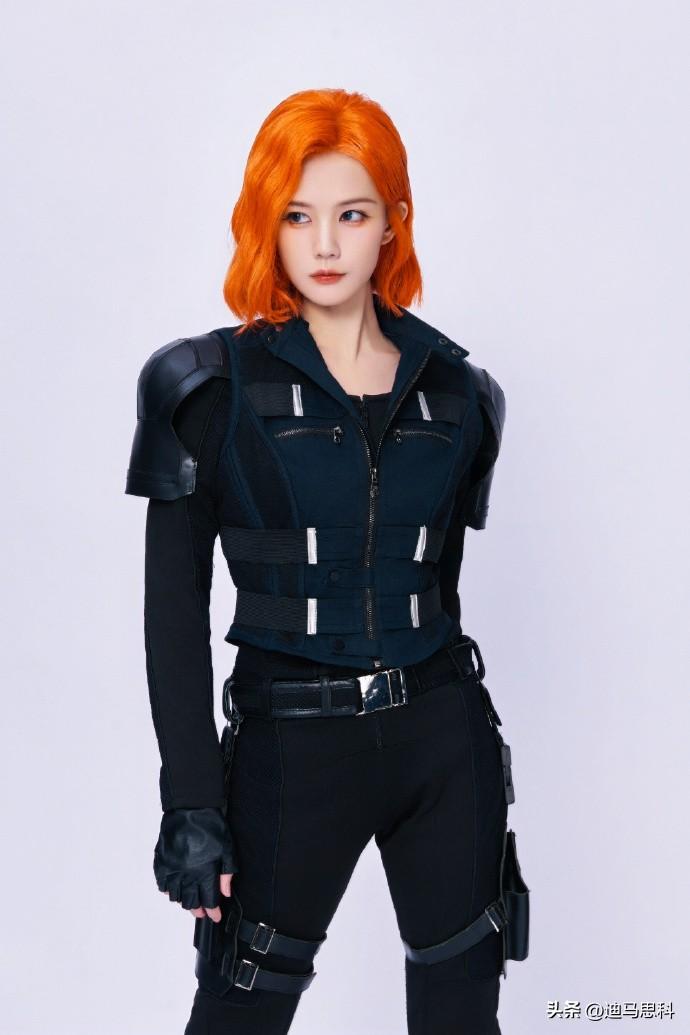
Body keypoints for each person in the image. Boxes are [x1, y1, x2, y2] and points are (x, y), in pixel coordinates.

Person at [125, 88, 526, 1035]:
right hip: (291, 749)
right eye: (298, 216)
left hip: (443, 742)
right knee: (238, 1013)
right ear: (266, 223)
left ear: (392, 221)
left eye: (352, 214)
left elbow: (439, 588)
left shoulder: (462, 393)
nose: (326, 244)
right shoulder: (202, 387)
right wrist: (190, 800)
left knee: (463, 1013)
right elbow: (171, 612)